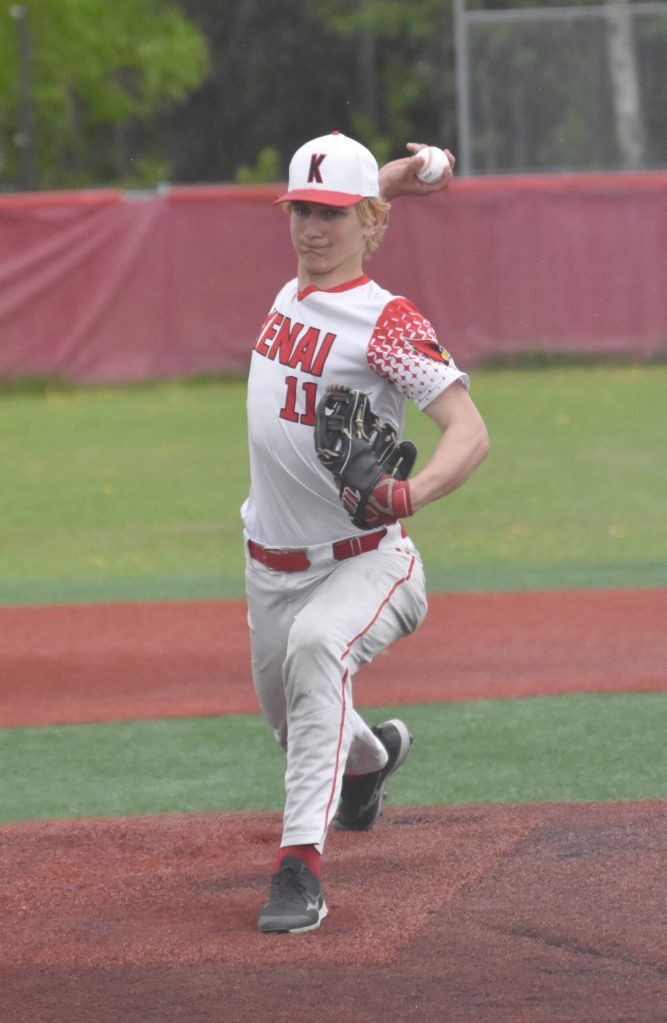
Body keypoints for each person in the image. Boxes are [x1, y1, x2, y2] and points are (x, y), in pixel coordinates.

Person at [242, 132, 489, 934]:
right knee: (295, 722)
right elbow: (350, 191)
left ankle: (298, 868)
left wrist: (408, 493)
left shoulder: (386, 322)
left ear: (366, 222)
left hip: (369, 560)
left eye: (332, 214)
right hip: (269, 565)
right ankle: (369, 762)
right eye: (302, 210)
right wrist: (409, 175)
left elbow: (468, 430)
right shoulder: (293, 291)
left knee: (318, 649)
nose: (313, 227)